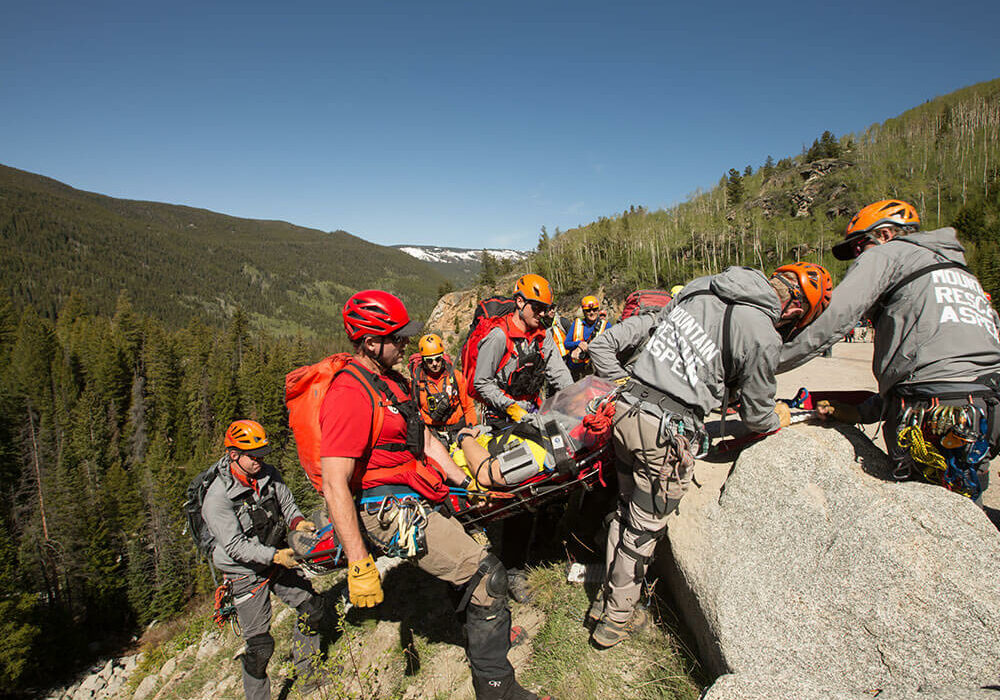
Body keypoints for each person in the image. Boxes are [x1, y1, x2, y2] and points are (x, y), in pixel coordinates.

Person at [587, 262, 832, 648]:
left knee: (624, 508)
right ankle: (616, 621)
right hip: (665, 431)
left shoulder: (702, 287)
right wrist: (779, 415)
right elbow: (756, 415)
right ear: (797, 310)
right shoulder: (762, 333)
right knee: (643, 529)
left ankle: (604, 603)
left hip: (627, 409)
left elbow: (661, 337)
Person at [319, 290, 544, 700]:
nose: (406, 344)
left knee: (464, 554)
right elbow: (334, 483)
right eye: (397, 337)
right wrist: (358, 564)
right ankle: (499, 690)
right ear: (370, 342)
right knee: (487, 576)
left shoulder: (390, 381)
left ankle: (479, 631)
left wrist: (463, 479)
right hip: (386, 509)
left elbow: (420, 436)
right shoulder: (349, 394)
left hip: (416, 489)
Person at [778, 199, 1000, 504]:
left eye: (859, 247)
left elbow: (834, 320)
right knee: (963, 504)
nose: (856, 256)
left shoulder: (889, 254)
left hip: (931, 412)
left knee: (924, 517)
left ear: (883, 235)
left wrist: (767, 363)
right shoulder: (962, 275)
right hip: (986, 406)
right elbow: (944, 360)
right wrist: (864, 411)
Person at [201, 420, 330, 700]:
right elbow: (235, 546)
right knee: (259, 648)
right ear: (234, 454)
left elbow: (286, 504)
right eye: (254, 456)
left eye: (263, 454)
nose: (261, 460)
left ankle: (309, 675)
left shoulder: (268, 475)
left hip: (275, 558)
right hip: (244, 573)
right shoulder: (217, 498)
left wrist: (299, 523)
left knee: (312, 607)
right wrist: (276, 556)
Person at [473, 274, 573, 425]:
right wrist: (511, 407)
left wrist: (575, 396)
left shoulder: (543, 336)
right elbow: (482, 382)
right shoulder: (499, 336)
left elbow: (559, 372)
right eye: (537, 308)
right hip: (501, 414)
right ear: (520, 302)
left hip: (533, 410)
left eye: (545, 309)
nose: (542, 314)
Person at [413, 333, 478, 437]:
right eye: (429, 360)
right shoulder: (417, 382)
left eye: (438, 359)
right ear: (424, 361)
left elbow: (468, 406)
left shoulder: (456, 377)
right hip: (432, 434)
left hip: (458, 429)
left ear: (442, 357)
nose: (434, 364)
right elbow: (416, 411)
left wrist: (472, 429)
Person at [563, 295, 613, 380]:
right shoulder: (577, 323)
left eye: (595, 310)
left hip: (596, 370)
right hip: (576, 370)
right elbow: (566, 344)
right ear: (583, 311)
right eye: (588, 310)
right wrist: (578, 344)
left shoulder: (606, 325)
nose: (592, 312)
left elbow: (611, 347)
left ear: (598, 310)